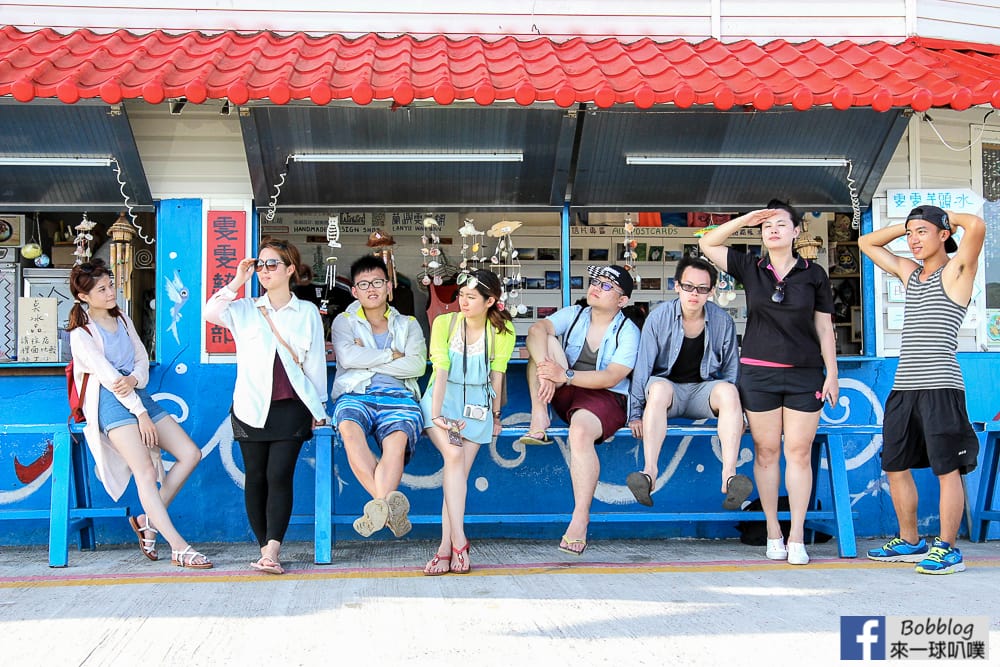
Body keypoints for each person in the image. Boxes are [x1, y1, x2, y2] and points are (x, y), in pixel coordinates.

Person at [699, 201, 839, 566]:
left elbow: (825, 327)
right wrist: (746, 219)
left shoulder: (814, 274)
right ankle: (773, 531)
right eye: (767, 226)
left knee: (798, 451)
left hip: (805, 373)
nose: (773, 230)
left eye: (781, 224)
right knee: (766, 452)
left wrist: (833, 374)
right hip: (758, 374)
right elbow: (708, 243)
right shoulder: (751, 266)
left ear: (796, 232)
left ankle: (797, 537)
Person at [859, 206, 985, 575]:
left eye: (922, 233)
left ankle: (946, 548)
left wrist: (942, 215)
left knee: (948, 470)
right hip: (904, 389)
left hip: (941, 387)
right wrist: (909, 224)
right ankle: (911, 541)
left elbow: (975, 225)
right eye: (910, 233)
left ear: (944, 234)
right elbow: (867, 242)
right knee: (895, 465)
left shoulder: (958, 271)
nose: (913, 240)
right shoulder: (910, 273)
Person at [68, 259, 211, 569]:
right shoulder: (81, 335)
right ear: (84, 297)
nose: (110, 293)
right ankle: (178, 546)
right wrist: (140, 412)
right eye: (102, 289)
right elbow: (109, 378)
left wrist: (135, 380)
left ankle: (148, 520)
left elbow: (141, 360)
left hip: (138, 394)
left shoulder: (123, 320)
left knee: (190, 453)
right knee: (144, 471)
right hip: (109, 402)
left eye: (110, 285)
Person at [205, 239, 328, 575]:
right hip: (249, 406)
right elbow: (210, 312)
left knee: (279, 475)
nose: (264, 270)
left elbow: (315, 363)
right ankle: (264, 549)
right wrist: (237, 280)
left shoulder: (306, 313)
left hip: (292, 407)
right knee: (255, 478)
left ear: (291, 269)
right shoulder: (245, 309)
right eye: (260, 264)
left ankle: (273, 550)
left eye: (272, 264)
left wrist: (320, 409)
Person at [518, 265, 640, 557]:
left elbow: (612, 377)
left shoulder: (628, 331)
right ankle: (539, 414)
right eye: (596, 281)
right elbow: (537, 330)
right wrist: (549, 372)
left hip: (606, 398)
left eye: (608, 286)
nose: (597, 287)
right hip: (563, 390)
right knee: (543, 342)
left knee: (580, 432)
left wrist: (565, 376)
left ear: (622, 300)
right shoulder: (574, 314)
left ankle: (580, 518)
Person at [625, 256, 750, 510]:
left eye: (703, 288)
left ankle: (730, 477)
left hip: (703, 393)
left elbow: (731, 371)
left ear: (711, 292)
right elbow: (643, 368)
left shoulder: (721, 321)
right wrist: (635, 414)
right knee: (658, 388)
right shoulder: (659, 317)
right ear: (677, 286)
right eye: (689, 286)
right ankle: (649, 473)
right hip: (668, 393)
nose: (695, 293)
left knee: (728, 391)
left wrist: (738, 413)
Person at [420, 269, 515, 575]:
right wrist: (436, 415)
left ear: (491, 301)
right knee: (454, 455)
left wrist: (496, 415)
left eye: (471, 297)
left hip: (476, 406)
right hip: (442, 400)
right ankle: (459, 540)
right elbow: (441, 369)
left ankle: (445, 550)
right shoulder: (444, 323)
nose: (463, 301)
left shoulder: (503, 331)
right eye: (461, 295)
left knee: (457, 476)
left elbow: (497, 374)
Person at [330, 255, 427, 539]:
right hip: (356, 393)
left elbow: (416, 365)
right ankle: (387, 507)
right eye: (363, 284)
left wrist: (367, 358)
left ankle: (378, 509)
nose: (371, 289)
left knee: (396, 442)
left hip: (399, 395)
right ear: (355, 291)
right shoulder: (344, 322)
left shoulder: (408, 324)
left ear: (388, 286)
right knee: (349, 429)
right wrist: (390, 355)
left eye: (377, 282)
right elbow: (347, 357)